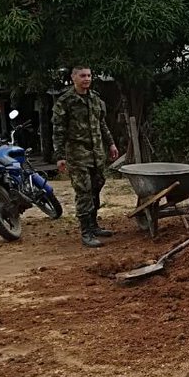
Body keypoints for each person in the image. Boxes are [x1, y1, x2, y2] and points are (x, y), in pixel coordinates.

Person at [52, 66, 120, 249]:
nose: (87, 79)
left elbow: (102, 124)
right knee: (84, 191)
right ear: (74, 78)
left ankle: (94, 225)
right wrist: (60, 156)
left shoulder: (95, 98)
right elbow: (58, 130)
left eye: (89, 76)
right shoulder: (65, 101)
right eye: (83, 76)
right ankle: (86, 232)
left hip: (97, 153)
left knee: (97, 186)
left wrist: (111, 144)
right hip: (77, 154)